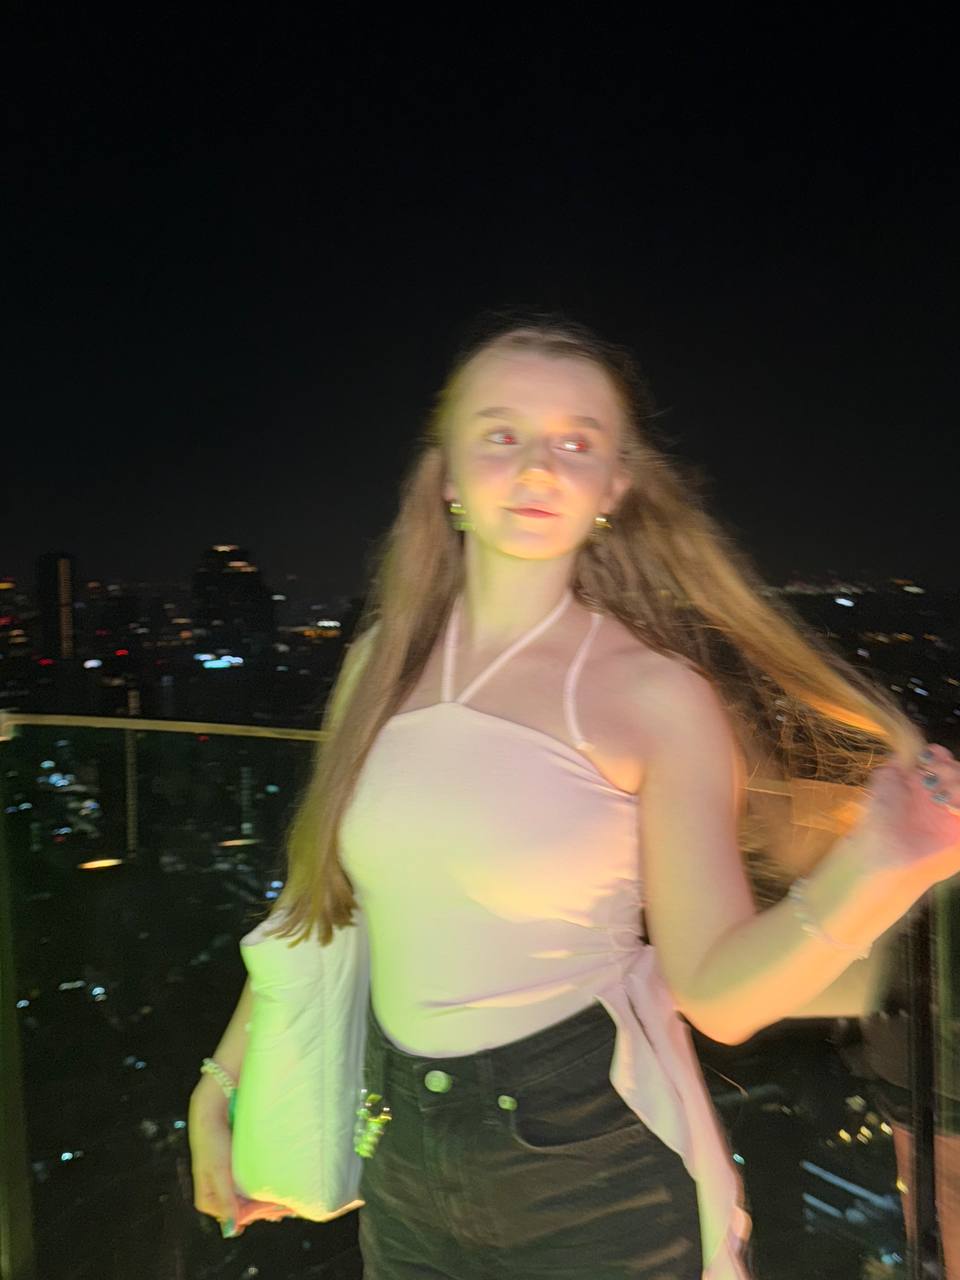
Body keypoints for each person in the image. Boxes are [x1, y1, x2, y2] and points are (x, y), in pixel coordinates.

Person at [189, 309, 960, 1278]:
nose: (538, 467)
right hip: (404, 1167)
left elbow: (717, 995)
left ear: (614, 487)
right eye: (501, 434)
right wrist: (225, 1078)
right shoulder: (379, 665)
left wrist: (883, 866)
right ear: (447, 476)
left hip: (590, 1168)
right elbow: (329, 908)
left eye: (576, 442)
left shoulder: (653, 696)